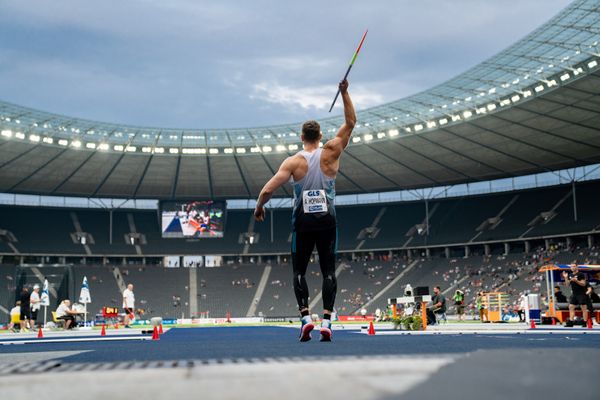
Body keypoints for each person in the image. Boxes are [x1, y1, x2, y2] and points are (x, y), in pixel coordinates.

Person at [254, 79, 356, 342]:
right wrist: (345, 93)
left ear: (302, 137)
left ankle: (304, 318)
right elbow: (351, 122)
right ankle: (327, 321)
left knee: (298, 271)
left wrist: (259, 207)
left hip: (302, 224)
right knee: (329, 272)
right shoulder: (332, 151)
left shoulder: (293, 162)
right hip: (327, 222)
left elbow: (267, 190)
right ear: (320, 136)